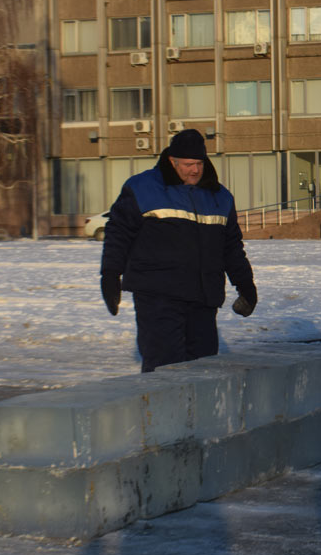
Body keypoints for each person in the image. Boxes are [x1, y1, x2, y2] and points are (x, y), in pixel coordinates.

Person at [100, 129, 257, 372]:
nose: (194, 170)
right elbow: (118, 234)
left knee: (203, 370)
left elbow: (232, 247)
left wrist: (246, 285)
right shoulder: (142, 188)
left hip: (203, 298)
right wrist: (110, 275)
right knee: (164, 370)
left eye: (199, 163)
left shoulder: (220, 197)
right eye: (187, 164)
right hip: (158, 297)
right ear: (171, 161)